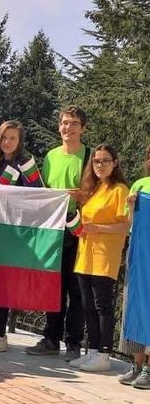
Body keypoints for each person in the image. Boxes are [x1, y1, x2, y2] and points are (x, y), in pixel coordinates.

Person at [25, 106, 89, 361]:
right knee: (53, 286)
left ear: (83, 129)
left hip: (79, 229)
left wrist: (80, 196)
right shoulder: (51, 156)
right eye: (64, 122)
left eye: (74, 123)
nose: (68, 128)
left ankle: (74, 344)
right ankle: (51, 338)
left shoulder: (90, 156)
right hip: (54, 229)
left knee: (77, 290)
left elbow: (98, 192)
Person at [0, 121, 44, 353]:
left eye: (12, 138)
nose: (7, 142)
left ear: (20, 141)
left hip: (14, 233)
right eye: (4, 137)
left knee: (3, 283)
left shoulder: (26, 162)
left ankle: (0, 335)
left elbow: (37, 193)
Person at [67, 144, 129, 372]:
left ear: (115, 163)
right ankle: (92, 350)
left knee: (102, 306)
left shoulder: (120, 190)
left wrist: (98, 228)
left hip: (105, 254)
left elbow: (125, 225)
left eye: (105, 161)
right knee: (87, 305)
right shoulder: (92, 190)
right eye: (96, 161)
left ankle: (104, 354)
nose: (100, 165)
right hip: (85, 254)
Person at [118, 144, 150, 388]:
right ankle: (137, 364)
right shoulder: (139, 185)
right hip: (139, 252)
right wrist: (131, 206)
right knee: (136, 305)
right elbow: (129, 223)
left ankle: (148, 368)